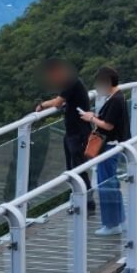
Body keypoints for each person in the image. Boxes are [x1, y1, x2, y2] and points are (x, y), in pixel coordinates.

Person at [35, 57, 95, 213]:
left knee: (78, 169)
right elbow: (61, 100)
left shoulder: (71, 81)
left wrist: (42, 105)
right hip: (73, 132)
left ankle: (86, 204)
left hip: (79, 133)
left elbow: (57, 103)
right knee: (73, 169)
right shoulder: (71, 82)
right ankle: (83, 202)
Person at [79, 66, 131, 236]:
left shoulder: (115, 100)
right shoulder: (116, 97)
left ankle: (111, 224)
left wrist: (91, 118)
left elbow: (108, 125)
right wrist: (95, 116)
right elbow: (108, 120)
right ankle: (120, 220)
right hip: (114, 144)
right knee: (112, 183)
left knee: (106, 183)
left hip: (109, 146)